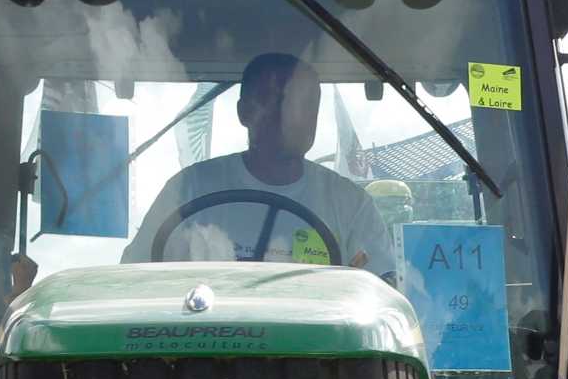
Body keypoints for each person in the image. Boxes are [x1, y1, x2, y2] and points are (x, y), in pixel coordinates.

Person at [123, 51, 397, 274]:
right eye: (276, 101)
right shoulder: (188, 190)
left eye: (306, 104)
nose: (292, 115)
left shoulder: (351, 205)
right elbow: (132, 281)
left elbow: (382, 300)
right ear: (244, 112)